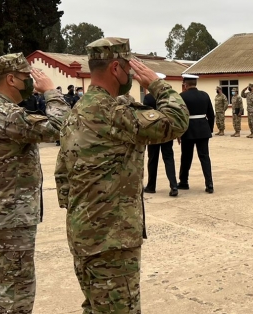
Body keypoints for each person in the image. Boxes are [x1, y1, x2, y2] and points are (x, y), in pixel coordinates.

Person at [56, 37, 188, 313]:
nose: (132, 74)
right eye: (129, 67)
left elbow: (63, 175)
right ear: (116, 68)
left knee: (95, 307)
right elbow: (176, 121)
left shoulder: (76, 110)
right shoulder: (114, 112)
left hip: (84, 234)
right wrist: (157, 84)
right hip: (111, 241)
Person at [0, 53, 67, 313]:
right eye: (28, 77)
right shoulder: (6, 114)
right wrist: (51, 92)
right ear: (11, 79)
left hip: (2, 214)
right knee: (15, 294)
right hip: (10, 217)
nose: (32, 82)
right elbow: (62, 126)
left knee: (4, 288)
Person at [178, 74, 215, 193]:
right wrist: (209, 129)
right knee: (204, 157)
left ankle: (184, 182)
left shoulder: (182, 96)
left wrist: (179, 132)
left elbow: (179, 115)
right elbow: (211, 114)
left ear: (185, 84)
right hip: (203, 129)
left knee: (186, 157)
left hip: (188, 129)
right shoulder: (204, 95)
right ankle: (209, 184)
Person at [143, 89, 179, 197]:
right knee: (168, 158)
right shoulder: (168, 98)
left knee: (153, 159)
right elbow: (174, 115)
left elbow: (146, 116)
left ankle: (151, 186)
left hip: (153, 133)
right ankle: (174, 186)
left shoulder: (148, 98)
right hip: (167, 132)